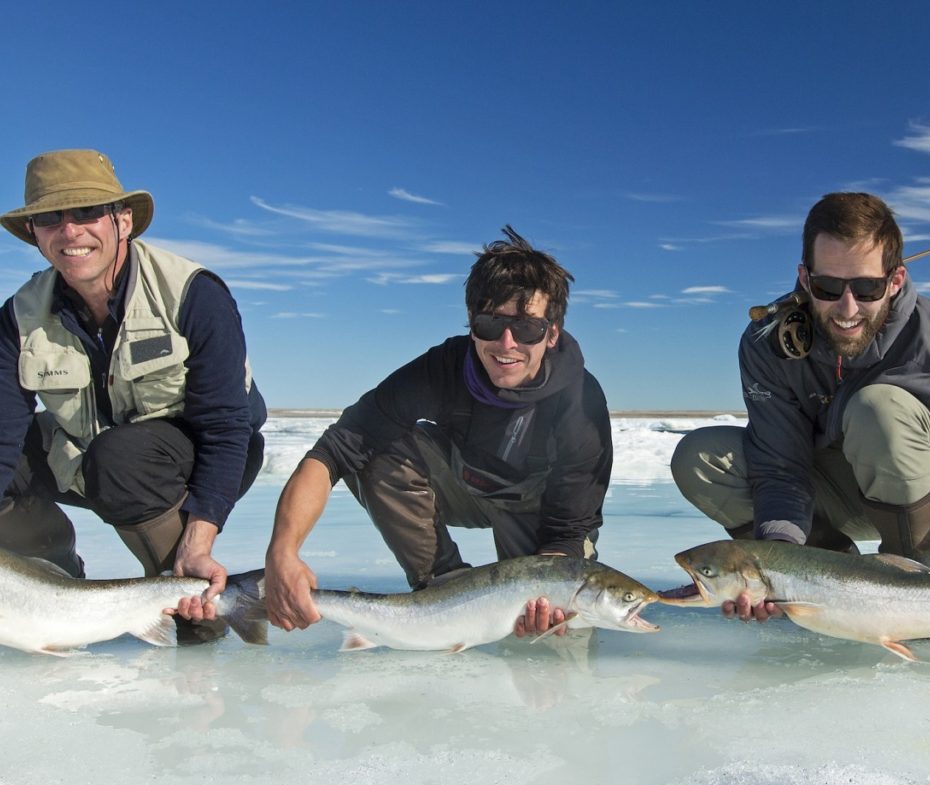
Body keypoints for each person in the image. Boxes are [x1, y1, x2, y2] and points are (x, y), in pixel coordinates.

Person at [254, 226, 612, 636]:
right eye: (490, 323)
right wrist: (282, 553)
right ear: (471, 325)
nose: (507, 343)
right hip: (468, 486)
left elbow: (567, 531)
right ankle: (441, 591)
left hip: (540, 514)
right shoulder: (442, 368)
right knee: (372, 449)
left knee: (557, 644)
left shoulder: (581, 402)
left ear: (551, 333)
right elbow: (332, 452)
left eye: (527, 327)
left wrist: (549, 602)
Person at [0, 149, 266, 640]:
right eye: (49, 218)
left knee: (120, 458)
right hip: (88, 454)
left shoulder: (193, 293)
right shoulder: (18, 316)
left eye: (86, 213)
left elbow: (227, 427)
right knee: (64, 462)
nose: (70, 231)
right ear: (34, 234)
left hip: (205, 455)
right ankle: (57, 582)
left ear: (122, 220)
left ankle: (193, 611)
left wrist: (200, 536)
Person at [671, 191, 927, 619]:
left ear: (895, 280)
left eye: (867, 288)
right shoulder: (766, 343)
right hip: (832, 493)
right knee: (701, 459)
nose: (847, 309)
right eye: (828, 287)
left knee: (878, 408)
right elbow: (780, 466)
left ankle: (915, 589)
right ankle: (822, 579)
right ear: (806, 279)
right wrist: (773, 565)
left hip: (920, 496)